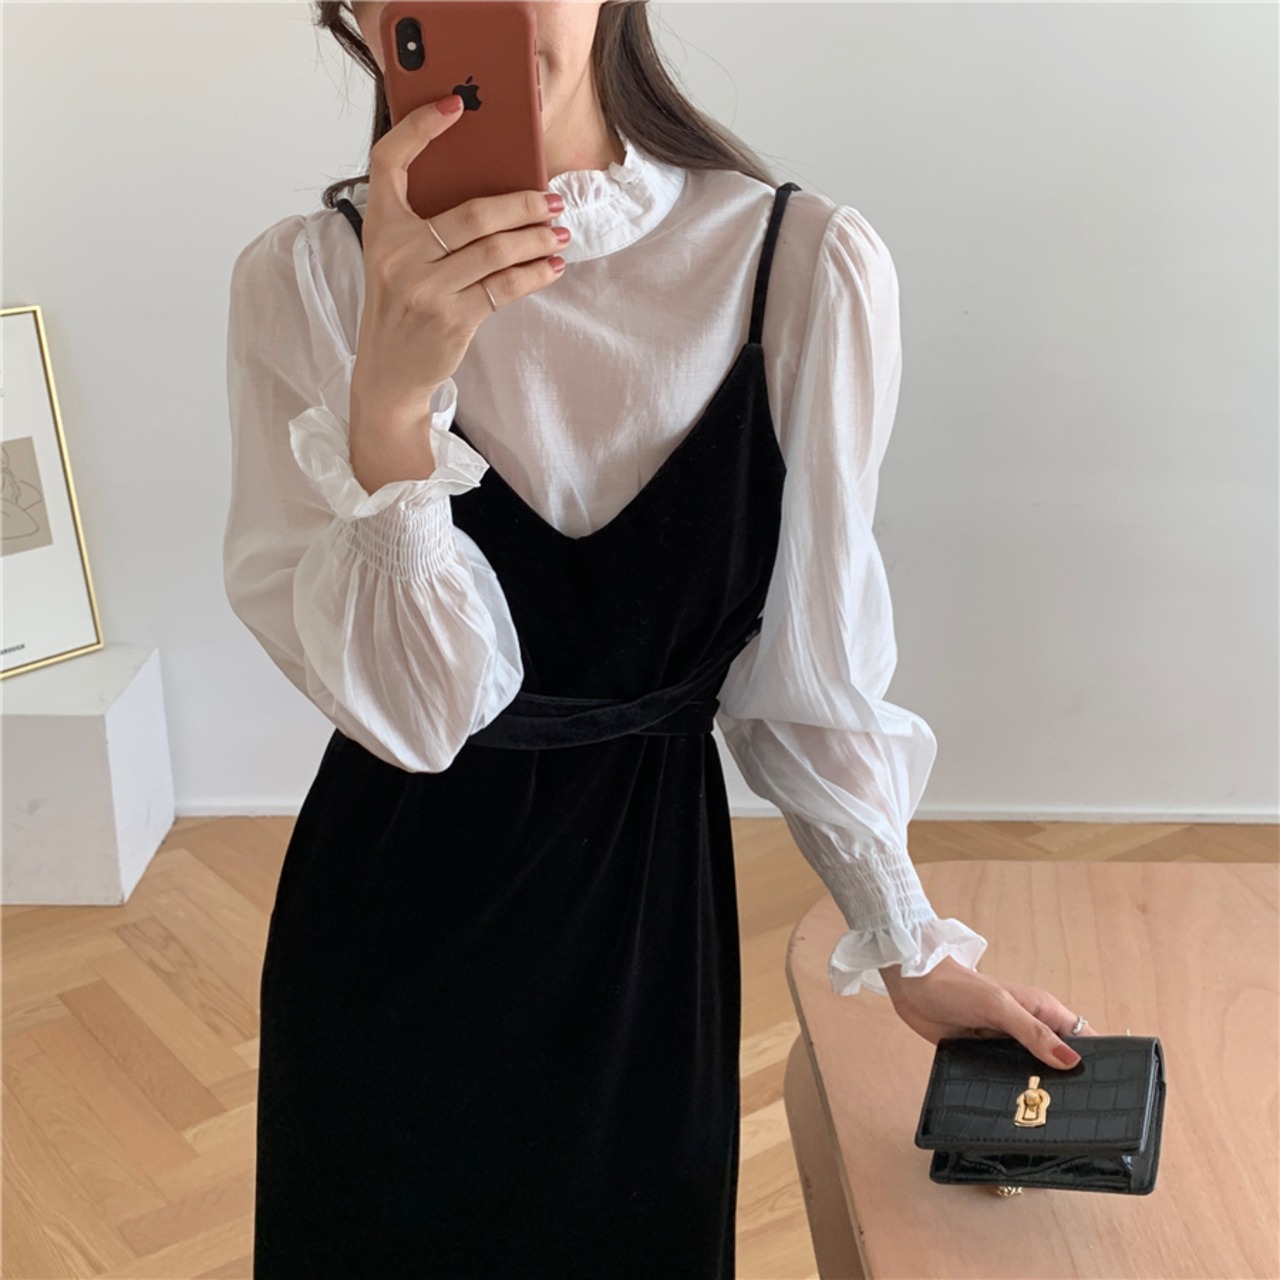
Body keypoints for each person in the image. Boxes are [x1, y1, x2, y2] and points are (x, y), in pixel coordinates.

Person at [223, 2, 1098, 1275]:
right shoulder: (303, 282)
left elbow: (802, 677)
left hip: (645, 935)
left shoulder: (798, 266)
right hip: (386, 926)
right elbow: (415, 717)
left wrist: (908, 944)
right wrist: (393, 404)